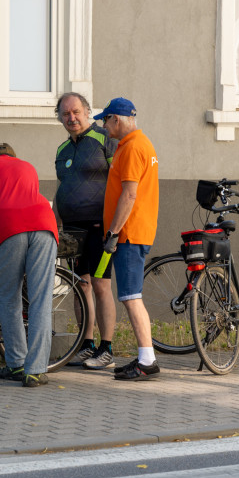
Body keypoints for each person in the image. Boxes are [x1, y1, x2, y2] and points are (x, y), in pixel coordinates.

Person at [0, 143, 58, 388]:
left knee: (9, 299)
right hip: (44, 225)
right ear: (12, 157)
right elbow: (24, 206)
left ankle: (16, 363)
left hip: (8, 230)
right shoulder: (27, 166)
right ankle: (35, 371)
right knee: (40, 299)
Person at [95, 97, 161, 381]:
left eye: (104, 120)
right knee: (130, 296)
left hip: (129, 234)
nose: (103, 126)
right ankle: (145, 356)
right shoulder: (139, 144)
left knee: (131, 297)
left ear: (116, 120)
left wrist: (113, 233)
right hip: (134, 232)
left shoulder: (133, 148)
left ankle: (147, 360)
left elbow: (130, 194)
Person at [52, 92, 118, 368]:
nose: (72, 118)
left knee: (101, 285)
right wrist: (54, 220)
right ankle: (87, 344)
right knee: (81, 285)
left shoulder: (106, 139)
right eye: (66, 114)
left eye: (76, 112)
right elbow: (62, 189)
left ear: (88, 112)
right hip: (72, 230)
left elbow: (123, 181)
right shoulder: (62, 150)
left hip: (100, 227)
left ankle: (107, 348)